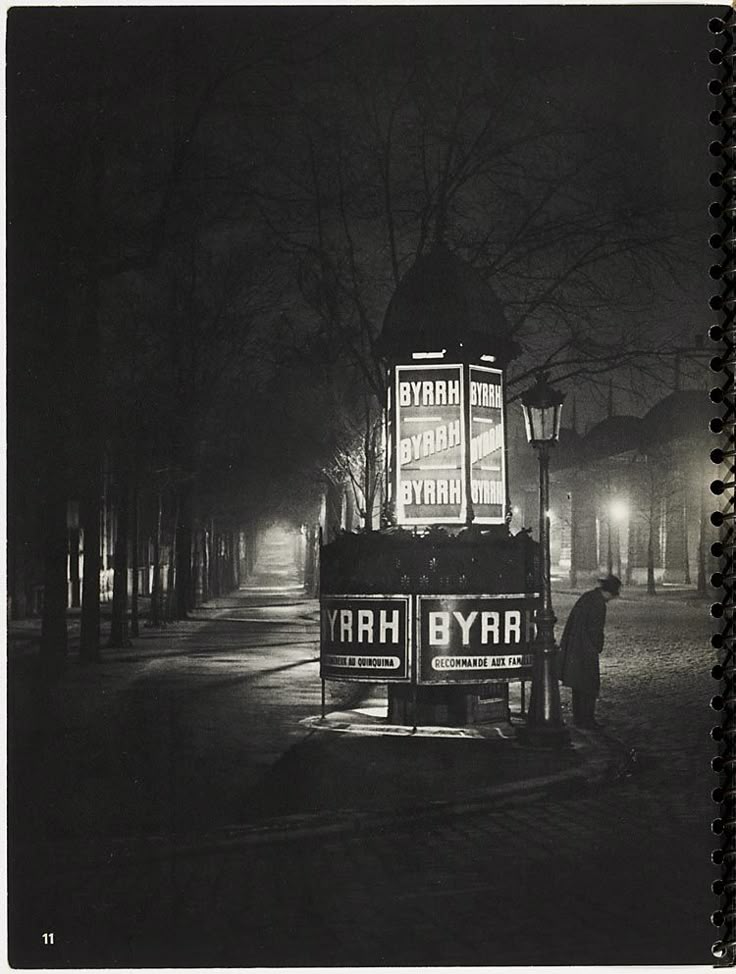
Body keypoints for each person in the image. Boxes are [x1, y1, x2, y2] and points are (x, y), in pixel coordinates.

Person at [558, 575, 621, 729]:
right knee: (589, 684)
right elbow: (595, 630)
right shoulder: (598, 604)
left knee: (578, 684)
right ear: (609, 593)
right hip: (585, 648)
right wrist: (598, 645)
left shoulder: (588, 597)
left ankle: (579, 717)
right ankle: (587, 719)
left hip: (574, 645)